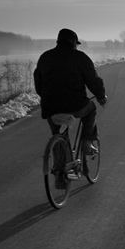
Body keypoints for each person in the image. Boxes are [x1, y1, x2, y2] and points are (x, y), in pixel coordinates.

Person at [34, 28, 107, 178]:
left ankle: (61, 171)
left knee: (57, 133)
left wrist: (47, 98)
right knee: (91, 108)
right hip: (75, 105)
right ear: (73, 42)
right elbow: (92, 80)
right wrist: (100, 96)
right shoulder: (79, 57)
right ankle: (87, 143)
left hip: (50, 107)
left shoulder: (45, 57)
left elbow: (38, 83)